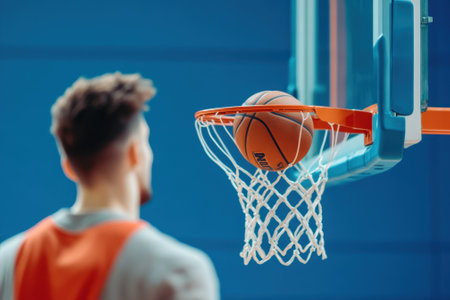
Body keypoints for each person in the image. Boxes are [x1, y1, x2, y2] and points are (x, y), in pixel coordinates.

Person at [0, 73, 220, 300]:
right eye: (146, 141)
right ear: (134, 152)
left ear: (68, 166)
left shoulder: (7, 261)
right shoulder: (178, 272)